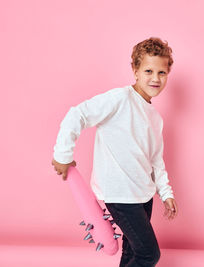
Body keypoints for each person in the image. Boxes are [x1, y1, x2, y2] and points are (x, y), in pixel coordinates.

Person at [52, 37, 178, 267]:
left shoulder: (155, 118)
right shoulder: (119, 100)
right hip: (120, 194)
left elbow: (156, 161)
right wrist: (63, 155)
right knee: (149, 254)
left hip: (143, 195)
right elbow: (77, 114)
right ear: (135, 70)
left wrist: (166, 193)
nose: (155, 78)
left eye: (162, 72)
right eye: (148, 70)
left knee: (132, 253)